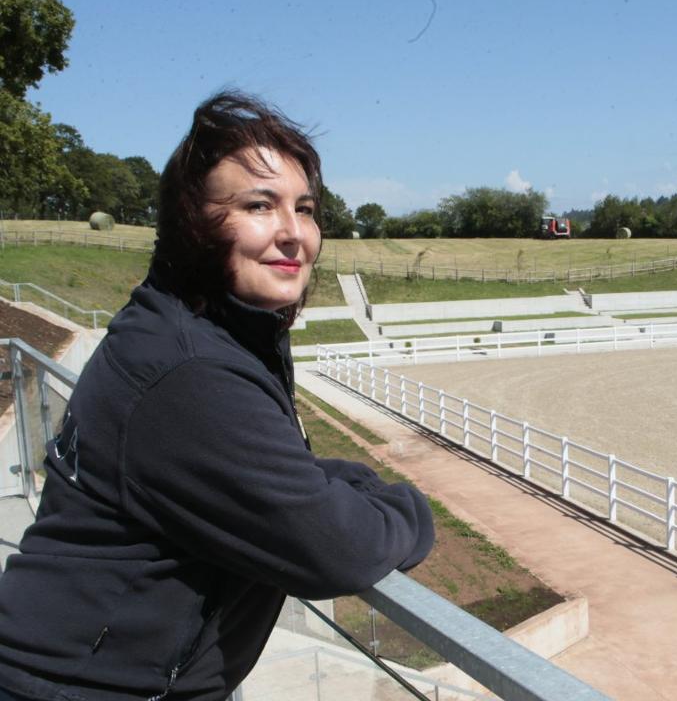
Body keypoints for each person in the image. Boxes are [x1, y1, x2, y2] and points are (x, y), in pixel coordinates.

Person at [0, 92, 436, 701]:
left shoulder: (197, 326)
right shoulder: (189, 370)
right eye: (259, 205)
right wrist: (411, 509)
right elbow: (337, 551)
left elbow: (260, 471)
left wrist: (344, 481)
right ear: (193, 223)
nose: (294, 233)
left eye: (305, 208)